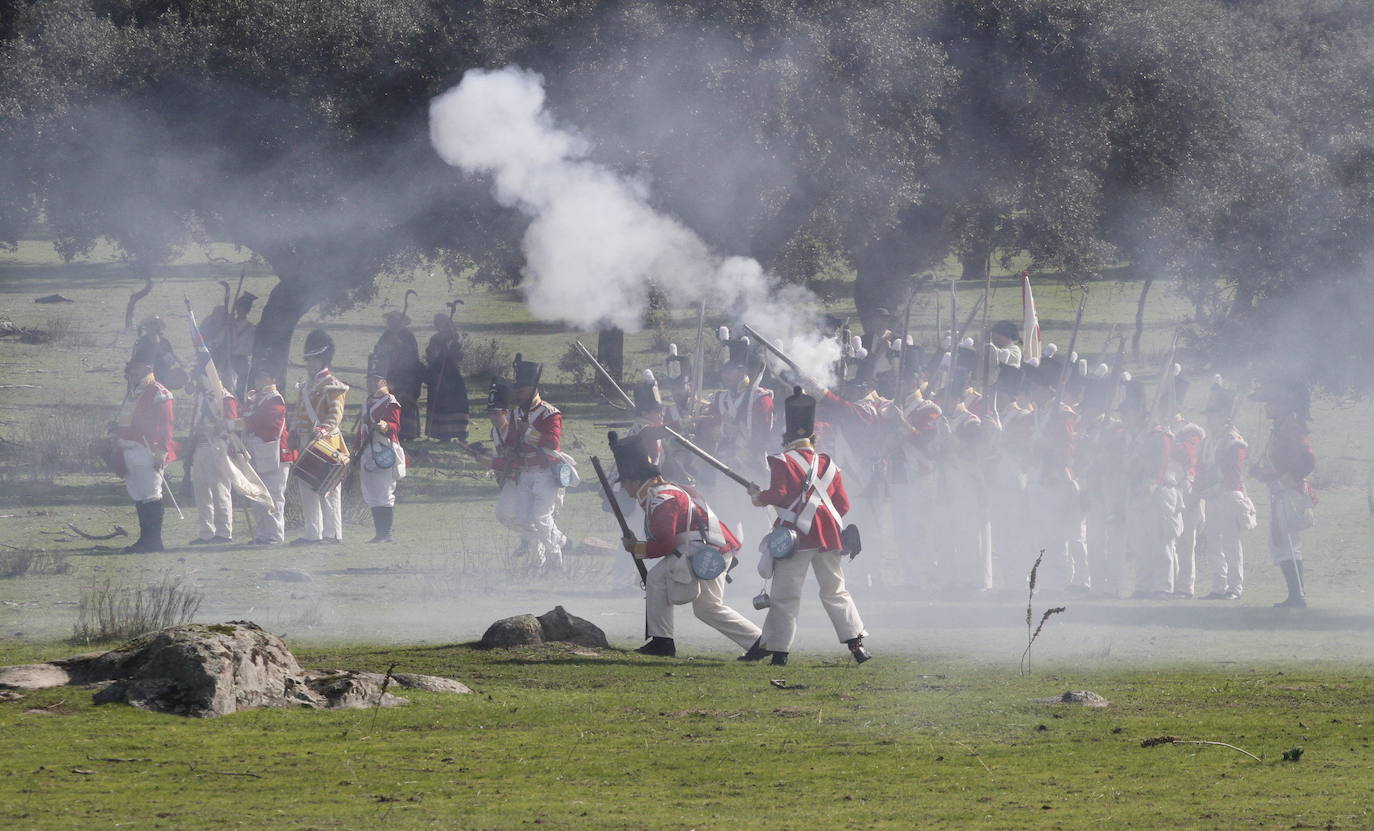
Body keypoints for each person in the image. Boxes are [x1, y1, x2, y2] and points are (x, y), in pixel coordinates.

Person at [744, 386, 869, 666]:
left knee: (786, 595)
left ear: (787, 437)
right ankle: (857, 644)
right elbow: (843, 505)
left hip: (796, 538)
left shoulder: (780, 461)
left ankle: (780, 652)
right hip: (829, 536)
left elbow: (778, 494)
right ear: (812, 437)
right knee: (835, 591)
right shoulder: (829, 464)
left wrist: (758, 497)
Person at [610, 430, 763, 658]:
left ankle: (662, 642)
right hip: (711, 548)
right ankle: (759, 642)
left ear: (634, 480)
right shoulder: (664, 492)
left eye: (625, 483)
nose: (624, 489)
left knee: (659, 580)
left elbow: (665, 544)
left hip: (706, 550)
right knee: (706, 607)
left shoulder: (662, 499)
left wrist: (637, 548)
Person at [492, 354, 576, 570]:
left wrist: (528, 432)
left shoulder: (550, 413)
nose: (517, 394)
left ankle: (556, 559)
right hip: (525, 472)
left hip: (545, 472)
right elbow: (511, 440)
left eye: (520, 390)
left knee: (540, 518)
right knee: (523, 520)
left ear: (531, 389)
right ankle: (547, 554)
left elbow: (553, 442)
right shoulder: (516, 413)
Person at [1250, 378, 1316, 608]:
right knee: (1282, 544)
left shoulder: (1290, 429)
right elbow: (1280, 464)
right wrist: (1263, 474)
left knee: (1287, 544)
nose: (1266, 407)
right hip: (1281, 492)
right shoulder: (1281, 429)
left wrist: (1284, 482)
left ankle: (1298, 596)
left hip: (1290, 493)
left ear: (1283, 405)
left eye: (1271, 402)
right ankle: (1295, 595)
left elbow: (1307, 461)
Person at [1195, 378, 1256, 600]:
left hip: (1229, 496)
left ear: (1223, 416)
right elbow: (1202, 468)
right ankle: (1218, 586)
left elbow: (1234, 475)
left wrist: (1215, 489)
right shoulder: (1209, 441)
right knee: (1214, 543)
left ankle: (1234, 588)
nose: (1209, 419)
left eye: (1213, 415)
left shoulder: (1234, 441)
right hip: (1212, 497)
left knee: (1231, 543)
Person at [290, 329, 349, 545]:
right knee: (307, 488)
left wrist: (323, 429)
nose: (310, 364)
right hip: (306, 442)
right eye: (308, 360)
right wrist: (294, 431)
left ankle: (332, 534)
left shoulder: (333, 384)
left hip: (326, 442)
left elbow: (335, 415)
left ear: (323, 360)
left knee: (327, 488)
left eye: (314, 360)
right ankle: (312, 533)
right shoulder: (306, 386)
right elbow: (299, 412)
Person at [111, 360, 177, 553]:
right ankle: (145, 539)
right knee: (139, 494)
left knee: (151, 495)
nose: (131, 373)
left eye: (135, 370)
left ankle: (154, 541)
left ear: (146, 369)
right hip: (129, 448)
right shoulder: (134, 393)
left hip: (148, 450)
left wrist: (161, 451)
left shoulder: (160, 393)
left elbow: (166, 426)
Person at [239, 365, 295, 545]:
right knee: (257, 495)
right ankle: (262, 534)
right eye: (258, 378)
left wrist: (236, 423)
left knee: (274, 496)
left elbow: (263, 422)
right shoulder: (255, 399)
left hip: (275, 455)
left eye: (264, 378)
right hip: (257, 453)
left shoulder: (275, 399)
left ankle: (275, 535)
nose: (259, 381)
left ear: (273, 380)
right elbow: (246, 417)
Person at [354, 359, 408, 543]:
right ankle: (379, 533)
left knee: (384, 492)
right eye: (369, 380)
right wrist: (355, 450)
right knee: (371, 493)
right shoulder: (368, 401)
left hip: (384, 449)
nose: (371, 383)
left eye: (375, 380)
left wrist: (384, 426)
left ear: (383, 382)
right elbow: (361, 430)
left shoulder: (390, 401)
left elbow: (396, 427)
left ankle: (387, 533)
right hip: (367, 449)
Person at [186, 377, 239, 544]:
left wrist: (214, 431)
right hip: (199, 448)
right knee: (201, 492)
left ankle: (223, 532)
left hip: (216, 447)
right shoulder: (200, 397)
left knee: (220, 491)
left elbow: (232, 425)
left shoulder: (225, 398)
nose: (201, 382)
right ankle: (206, 532)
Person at [372, 309, 423, 443]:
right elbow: (378, 350)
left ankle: (408, 432)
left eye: (393, 320)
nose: (391, 323)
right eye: (390, 321)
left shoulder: (408, 336)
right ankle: (390, 429)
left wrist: (400, 345)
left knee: (406, 402)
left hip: (407, 376)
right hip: (389, 374)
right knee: (390, 402)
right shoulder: (386, 335)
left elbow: (412, 356)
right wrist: (386, 349)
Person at [424, 313, 470, 442]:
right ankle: (443, 435)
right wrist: (439, 354)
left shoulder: (454, 338)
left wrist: (449, 349)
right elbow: (431, 355)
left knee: (458, 404)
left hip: (453, 377)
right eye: (439, 324)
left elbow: (459, 356)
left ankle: (461, 433)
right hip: (438, 376)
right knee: (441, 405)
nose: (442, 326)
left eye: (444, 324)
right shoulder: (435, 339)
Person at [202, 292, 257, 397]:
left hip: (240, 360)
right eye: (239, 308)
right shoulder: (229, 324)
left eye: (243, 308)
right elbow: (219, 339)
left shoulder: (250, 328)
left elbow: (242, 346)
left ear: (247, 310)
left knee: (240, 387)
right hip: (226, 358)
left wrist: (232, 328)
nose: (240, 311)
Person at [130, 315, 186, 391]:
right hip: (146, 380)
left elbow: (171, 361)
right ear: (147, 328)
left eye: (157, 324)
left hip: (163, 378)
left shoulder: (165, 342)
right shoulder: (141, 343)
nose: (155, 327)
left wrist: (163, 353)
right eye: (152, 324)